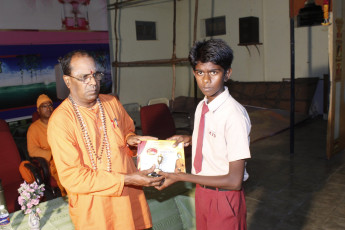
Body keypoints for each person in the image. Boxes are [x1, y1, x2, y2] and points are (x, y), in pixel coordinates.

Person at [47, 50, 163, 230]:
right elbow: (73, 177)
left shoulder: (111, 103)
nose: (93, 82)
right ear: (67, 81)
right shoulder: (60, 121)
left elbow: (126, 131)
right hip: (95, 210)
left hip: (130, 198)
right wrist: (128, 179)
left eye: (95, 75)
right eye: (84, 77)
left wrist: (132, 139)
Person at [156, 39, 251, 230]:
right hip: (202, 192)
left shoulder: (234, 115)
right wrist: (190, 139)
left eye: (213, 72)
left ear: (227, 74)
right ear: (194, 73)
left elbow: (234, 181)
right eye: (200, 72)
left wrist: (182, 177)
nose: (206, 81)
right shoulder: (202, 106)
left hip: (224, 197)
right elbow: (217, 140)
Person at [27, 94, 66, 196]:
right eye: (44, 106)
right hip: (51, 162)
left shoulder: (60, 123)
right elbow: (32, 150)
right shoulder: (33, 128)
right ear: (38, 110)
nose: (48, 108)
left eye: (50, 105)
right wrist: (52, 154)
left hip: (66, 156)